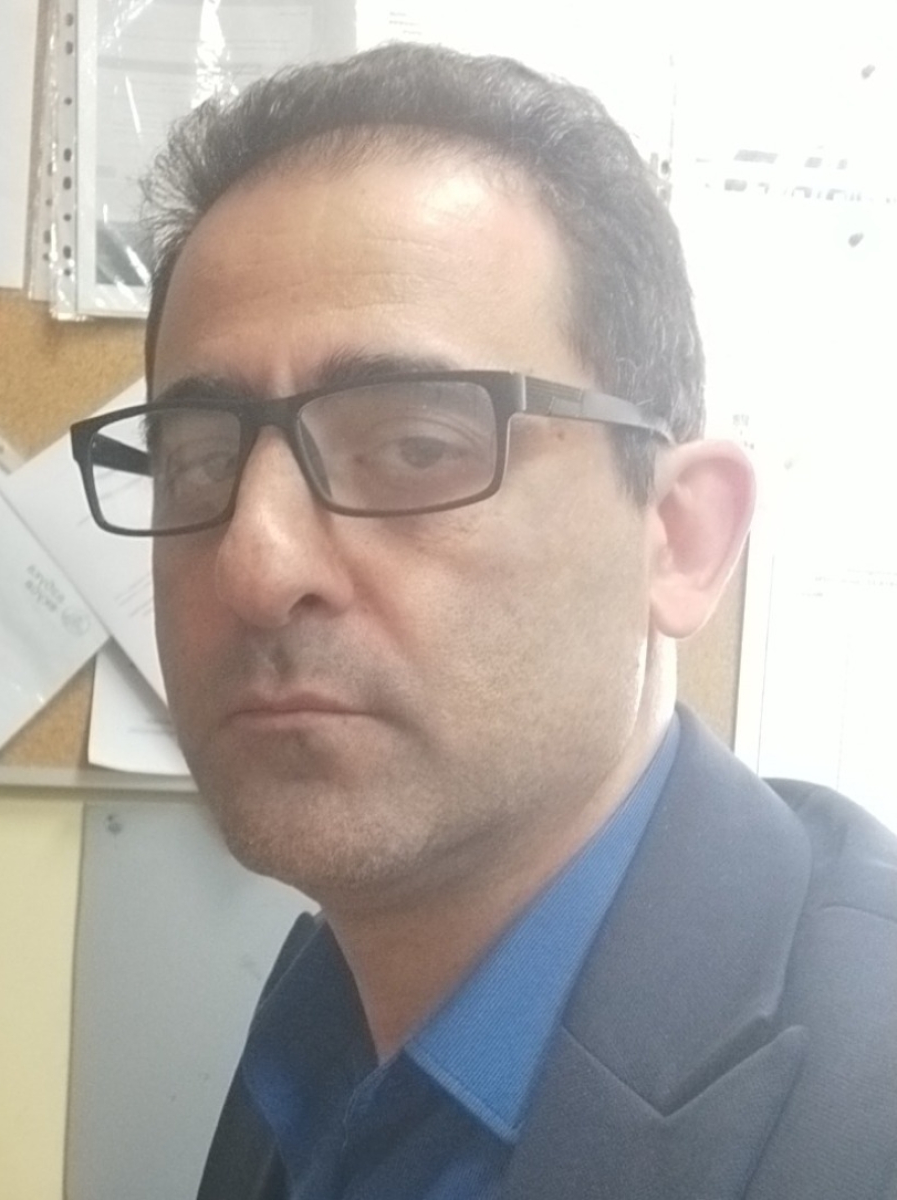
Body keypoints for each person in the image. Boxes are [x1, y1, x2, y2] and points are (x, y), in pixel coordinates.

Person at [70, 42, 897, 1200]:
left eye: (416, 446)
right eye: (200, 460)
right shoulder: (325, 1002)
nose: (255, 564)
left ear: (680, 536)